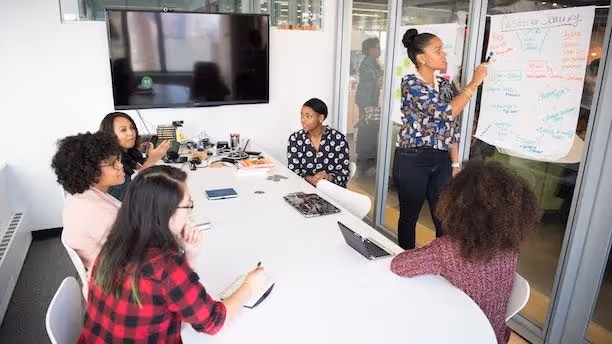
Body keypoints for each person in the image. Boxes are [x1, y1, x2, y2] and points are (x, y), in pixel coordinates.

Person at [79, 166, 266, 343]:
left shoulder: (113, 244)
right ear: (166, 213)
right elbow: (213, 322)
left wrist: (189, 256)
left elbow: (169, 296)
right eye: (188, 206)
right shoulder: (165, 266)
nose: (189, 212)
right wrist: (249, 285)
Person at [390, 161, 539, 344]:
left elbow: (399, 265)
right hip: (494, 335)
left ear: (456, 208)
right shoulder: (509, 250)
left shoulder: (447, 249)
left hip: (458, 335)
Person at [393, 28, 489, 249]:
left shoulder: (445, 85)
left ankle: (442, 263)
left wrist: (455, 163)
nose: (443, 54)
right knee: (409, 216)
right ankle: (405, 260)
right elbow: (447, 112)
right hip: (412, 158)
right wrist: (474, 83)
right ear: (421, 58)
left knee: (444, 217)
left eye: (442, 49)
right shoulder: (411, 83)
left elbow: (451, 126)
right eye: (438, 50)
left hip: (442, 159)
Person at [51, 131, 124, 273]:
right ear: (89, 171)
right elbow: (132, 254)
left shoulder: (78, 196)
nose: (120, 166)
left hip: (106, 269)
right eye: (112, 163)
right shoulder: (97, 211)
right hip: (116, 280)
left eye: (118, 159)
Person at [99, 112, 171, 200]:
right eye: (123, 130)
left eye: (132, 128)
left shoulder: (126, 153)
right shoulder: (108, 162)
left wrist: (149, 158)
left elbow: (136, 173)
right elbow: (127, 194)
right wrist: (152, 160)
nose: (131, 133)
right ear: (110, 134)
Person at [287, 98, 350, 187]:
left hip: (332, 192)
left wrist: (328, 177)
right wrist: (310, 179)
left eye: (308, 116)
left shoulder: (338, 139)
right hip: (305, 190)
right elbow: (293, 172)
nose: (303, 120)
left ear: (321, 118)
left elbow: (344, 173)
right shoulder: (295, 139)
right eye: (302, 115)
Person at [355, 37, 383, 173]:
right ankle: (364, 156)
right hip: (366, 100)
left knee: (369, 127)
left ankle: (366, 155)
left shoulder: (374, 63)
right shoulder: (367, 63)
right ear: (371, 50)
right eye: (377, 47)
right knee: (366, 127)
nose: (379, 50)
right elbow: (378, 81)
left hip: (371, 99)